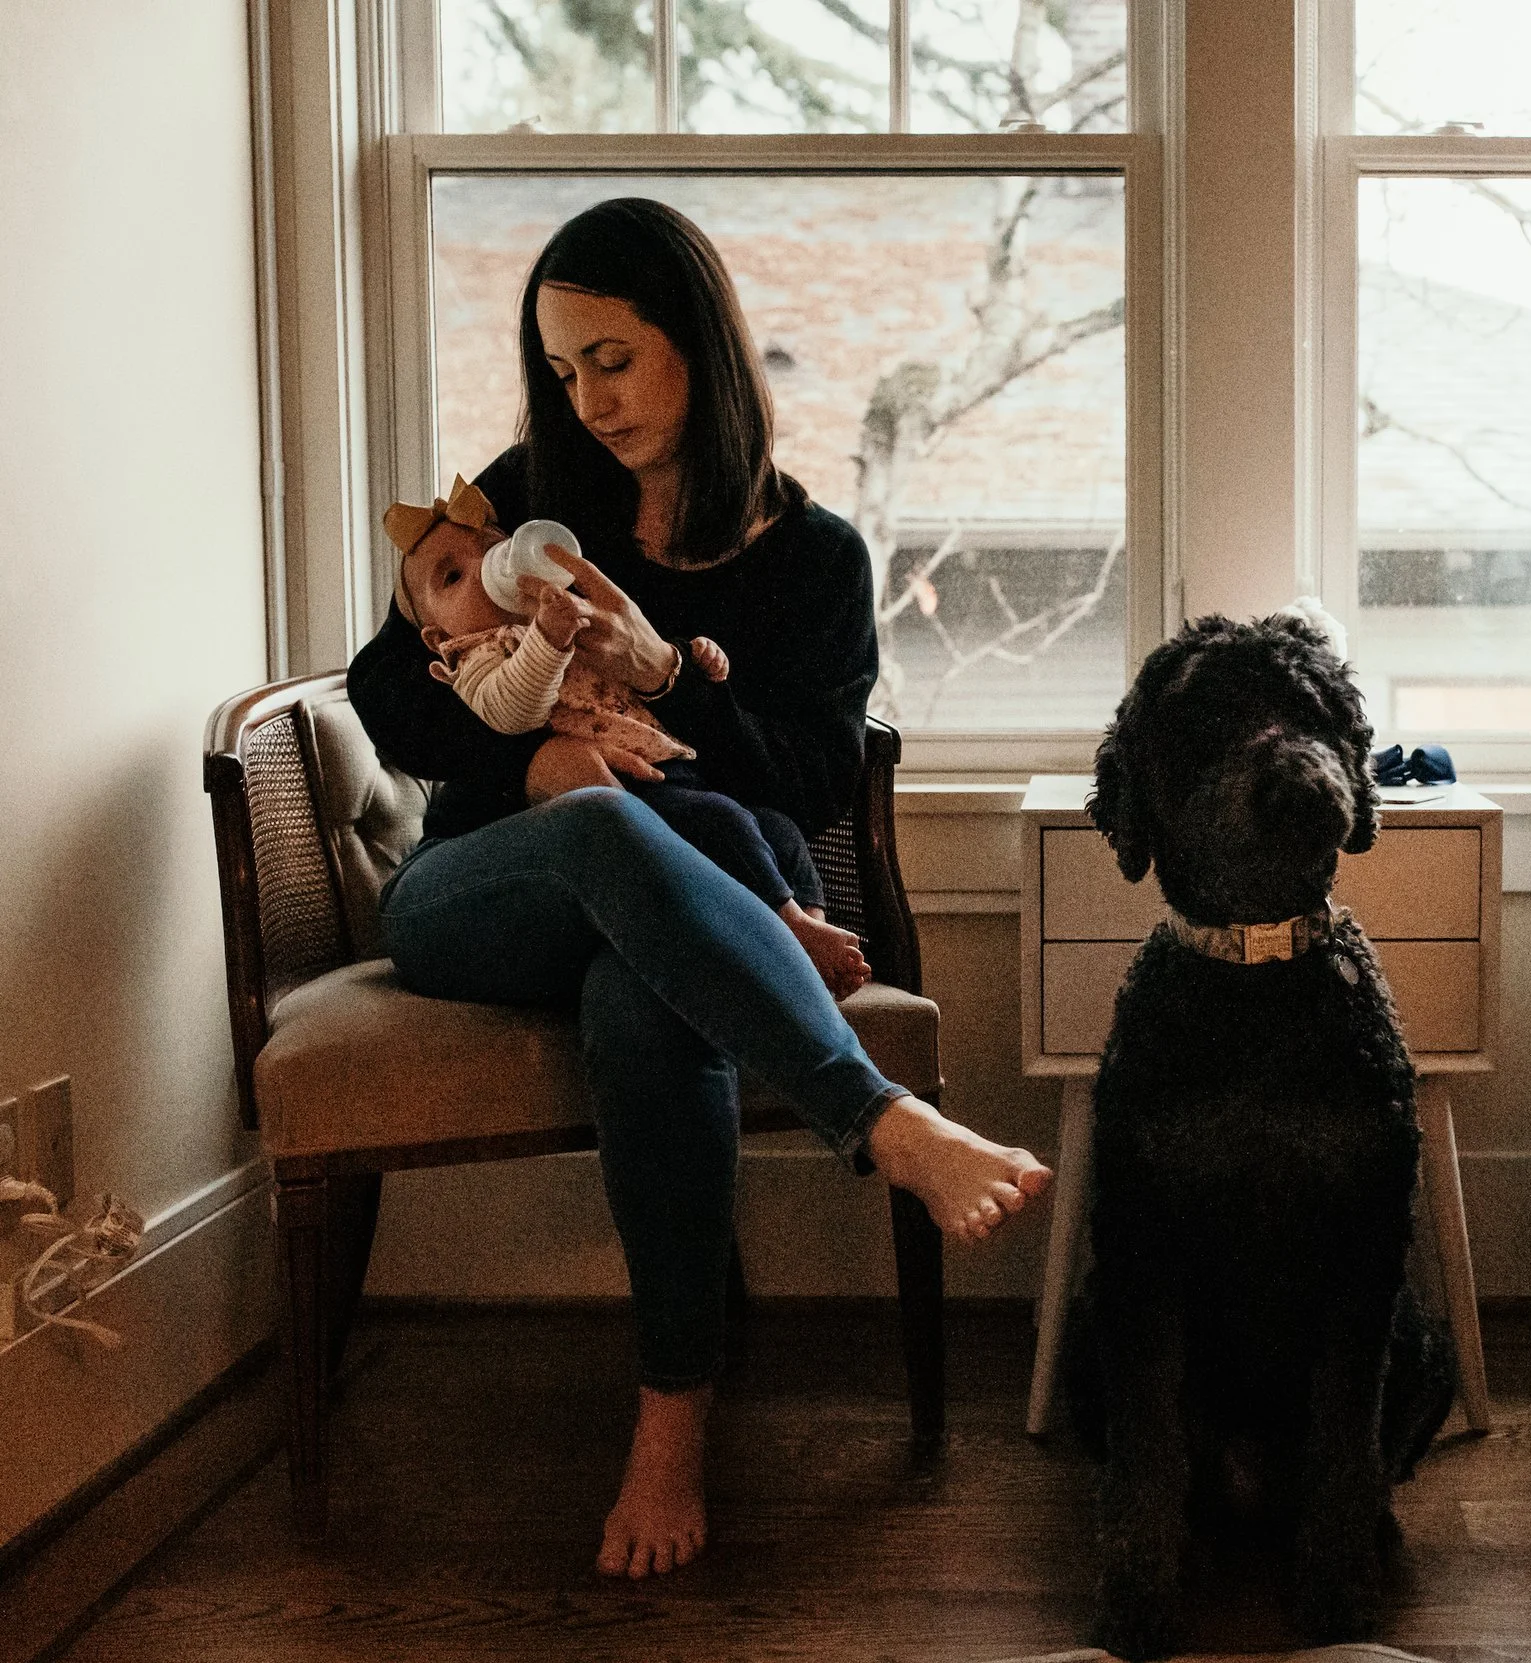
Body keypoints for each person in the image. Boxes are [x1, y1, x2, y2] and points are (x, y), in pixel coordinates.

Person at [348, 197, 1051, 1581]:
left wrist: (667, 673)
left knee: (644, 990)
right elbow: (389, 692)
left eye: (611, 356)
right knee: (604, 844)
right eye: (561, 369)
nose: (586, 397)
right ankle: (887, 1121)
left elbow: (806, 777)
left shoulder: (818, 559)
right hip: (482, 893)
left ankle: (671, 1411)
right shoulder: (527, 507)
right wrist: (545, 735)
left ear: (698, 342)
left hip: (698, 902)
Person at [384, 477, 871, 997]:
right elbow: (511, 704)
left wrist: (678, 664)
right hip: (600, 810)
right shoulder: (479, 658)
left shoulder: (564, 617)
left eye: (491, 552)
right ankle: (789, 933)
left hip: (665, 772)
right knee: (718, 822)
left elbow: (817, 771)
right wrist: (537, 755)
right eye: (454, 577)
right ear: (437, 638)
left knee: (774, 829)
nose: (485, 574)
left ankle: (804, 942)